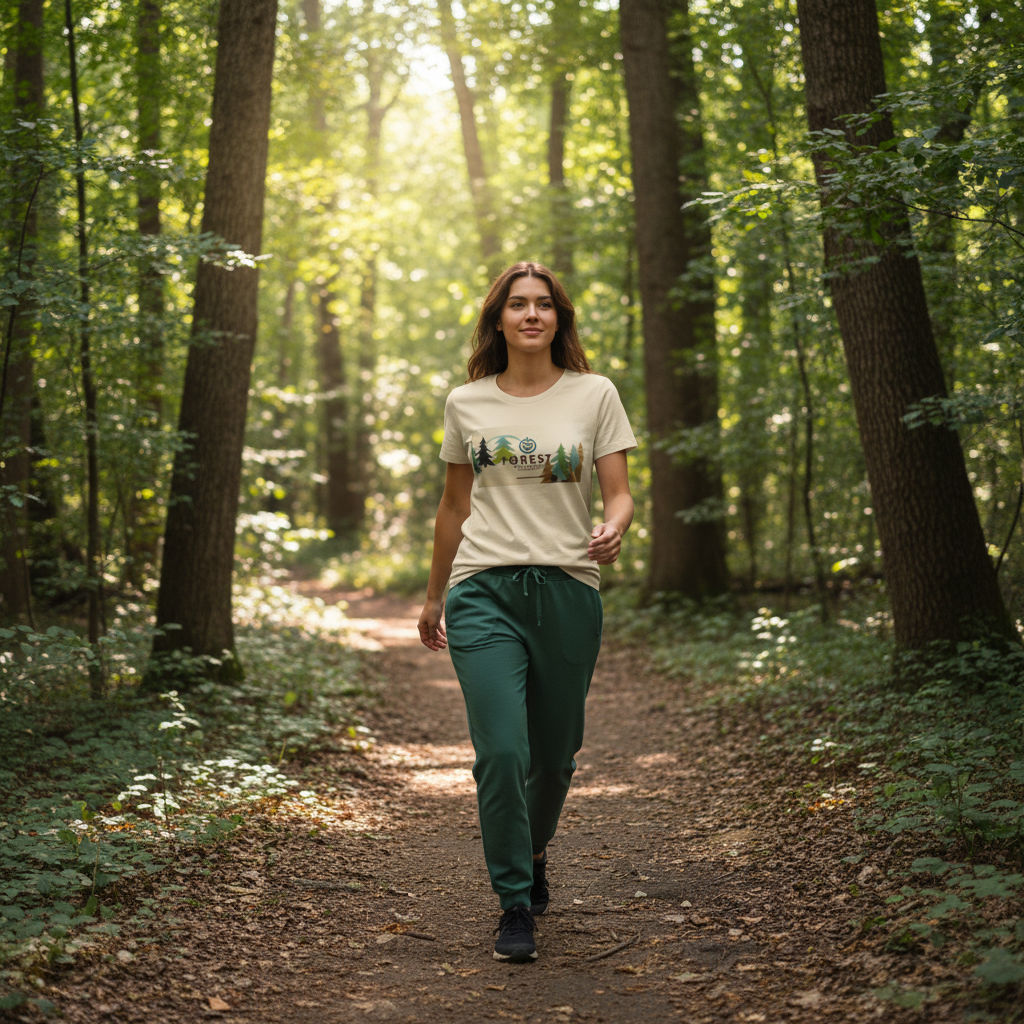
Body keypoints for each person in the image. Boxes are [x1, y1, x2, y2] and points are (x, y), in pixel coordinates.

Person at [417, 261, 636, 963]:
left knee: (555, 758)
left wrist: (616, 525)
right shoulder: (467, 403)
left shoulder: (594, 394)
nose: (532, 315)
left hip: (569, 589)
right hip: (483, 590)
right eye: (519, 305)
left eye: (544, 305)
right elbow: (454, 507)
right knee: (503, 752)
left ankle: (533, 850)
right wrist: (433, 593)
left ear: (559, 319)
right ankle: (514, 901)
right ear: (500, 319)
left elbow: (620, 493)